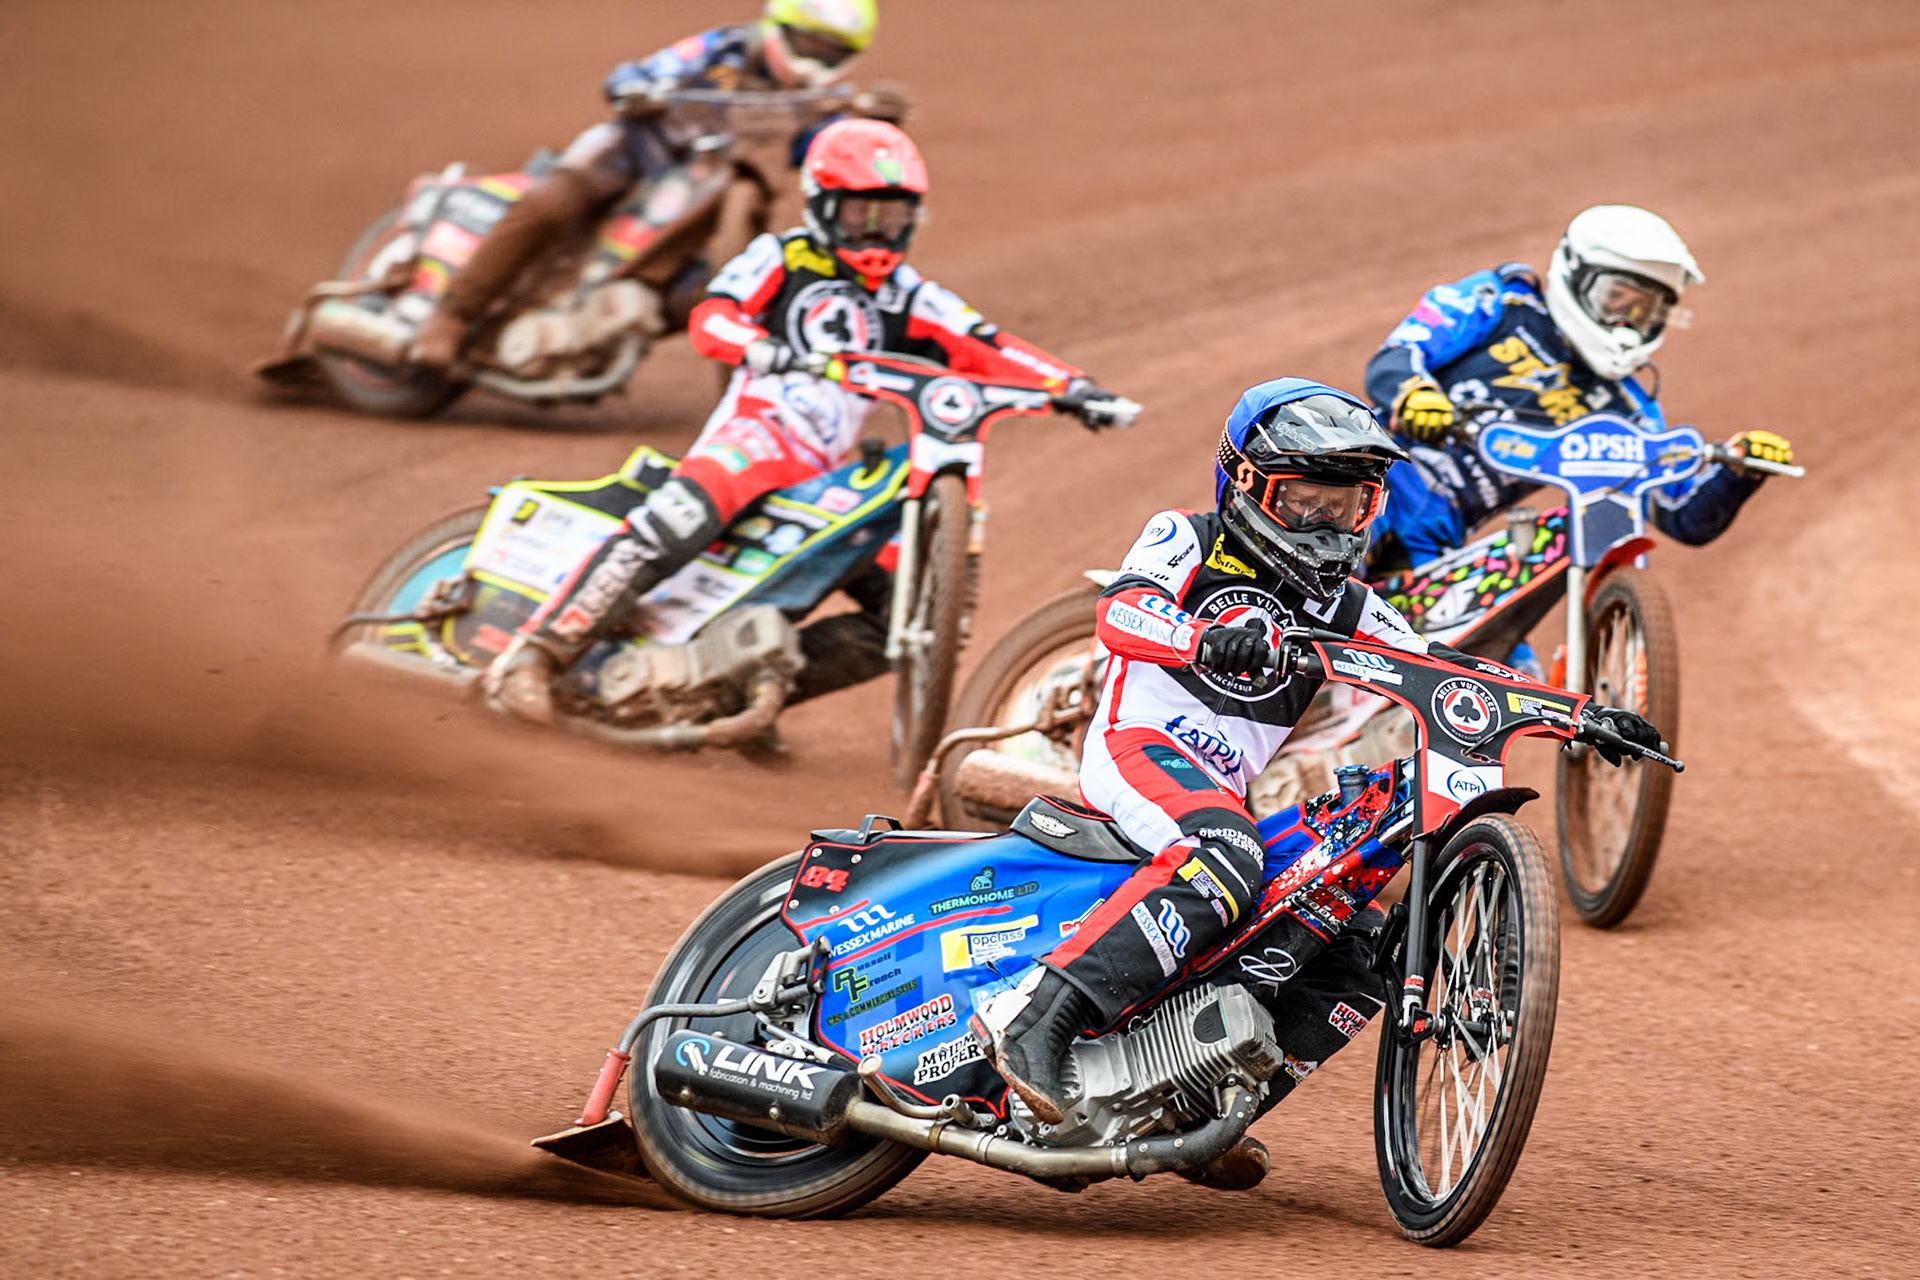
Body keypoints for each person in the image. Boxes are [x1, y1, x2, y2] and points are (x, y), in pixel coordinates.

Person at [968, 378, 1659, 1186]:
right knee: (1224, 857)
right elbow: (1120, 613)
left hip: (1224, 790)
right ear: (1248, 484)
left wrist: (1581, 714)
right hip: (1138, 747)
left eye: (1349, 506)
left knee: (1357, 941)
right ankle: (1036, 1023)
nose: (1328, 524)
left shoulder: (1352, 605)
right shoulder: (1183, 535)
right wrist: (1199, 638)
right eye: (1305, 502)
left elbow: (1444, 668)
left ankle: (1190, 1109)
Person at [483, 118, 1132, 722]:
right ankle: (537, 654)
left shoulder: (911, 297)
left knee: (898, 615)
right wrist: (755, 343)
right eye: (860, 213)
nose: (876, 231)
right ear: (822, 204)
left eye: (893, 215)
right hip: (753, 438)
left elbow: (987, 345)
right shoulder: (781, 259)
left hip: (824, 477)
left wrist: (1073, 387)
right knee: (680, 517)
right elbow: (711, 317)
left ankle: (722, 694)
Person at [413, 0, 903, 370]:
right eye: (808, 44)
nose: (814, 61)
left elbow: (822, 149)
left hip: (708, 185)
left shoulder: (820, 104)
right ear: (776, 28)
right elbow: (639, 73)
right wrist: (638, 89)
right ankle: (452, 315)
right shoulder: (722, 49)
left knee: (697, 283)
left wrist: (878, 124)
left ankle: (609, 326)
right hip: (635, 152)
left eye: (831, 52)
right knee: (552, 201)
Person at [1362, 204, 1795, 573]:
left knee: (1503, 668)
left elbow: (1679, 514)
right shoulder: (1500, 301)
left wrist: (1738, 473)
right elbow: (1398, 354)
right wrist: (1414, 393)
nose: (1627, 323)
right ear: (1575, 275)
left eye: (1645, 312)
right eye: (1617, 300)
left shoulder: (1628, 410)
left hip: (1437, 547)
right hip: (1371, 487)